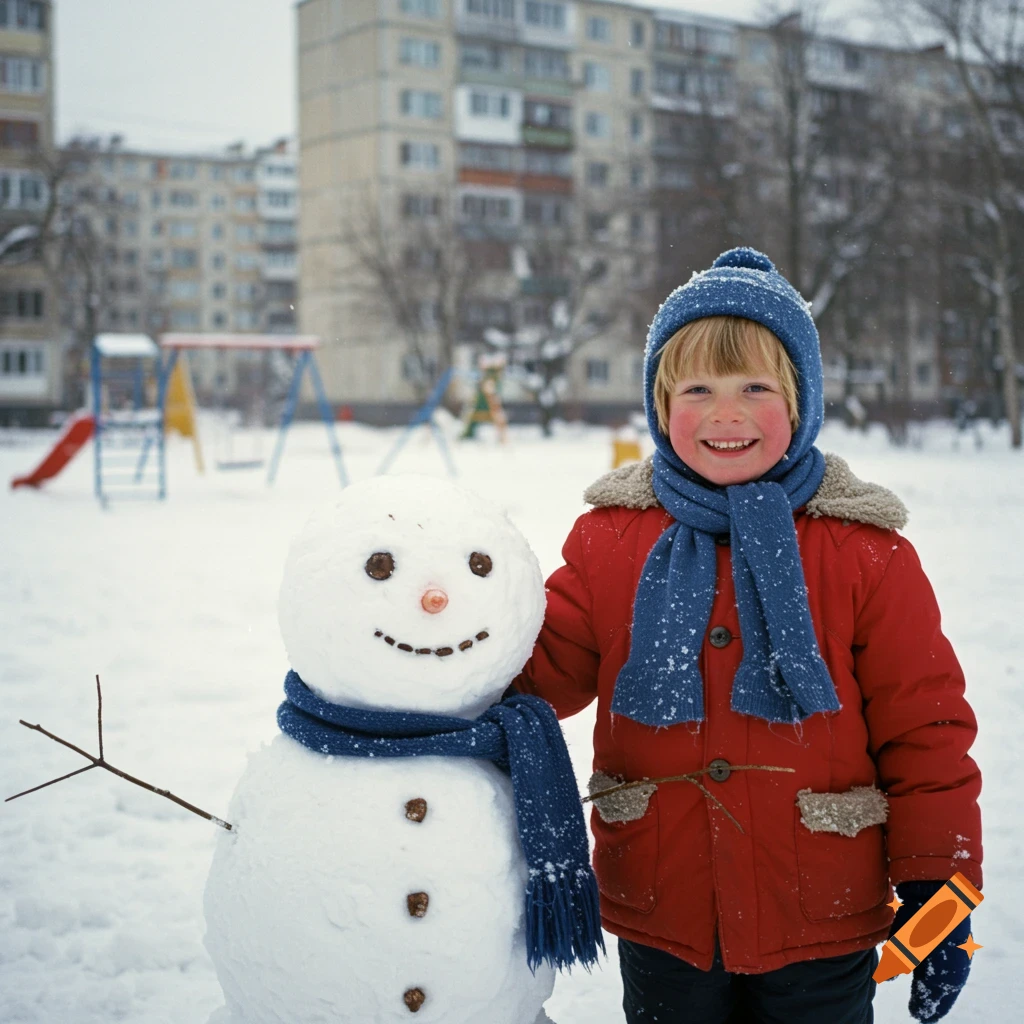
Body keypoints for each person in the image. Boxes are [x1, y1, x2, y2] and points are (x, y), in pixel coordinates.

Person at [513, 247, 982, 1024]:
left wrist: (940, 882)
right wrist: (426, 673)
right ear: (662, 408)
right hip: (665, 905)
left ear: (801, 403)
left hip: (821, 912)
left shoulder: (864, 551)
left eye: (754, 388)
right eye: (697, 388)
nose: (725, 413)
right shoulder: (609, 541)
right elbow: (539, 671)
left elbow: (924, 725)